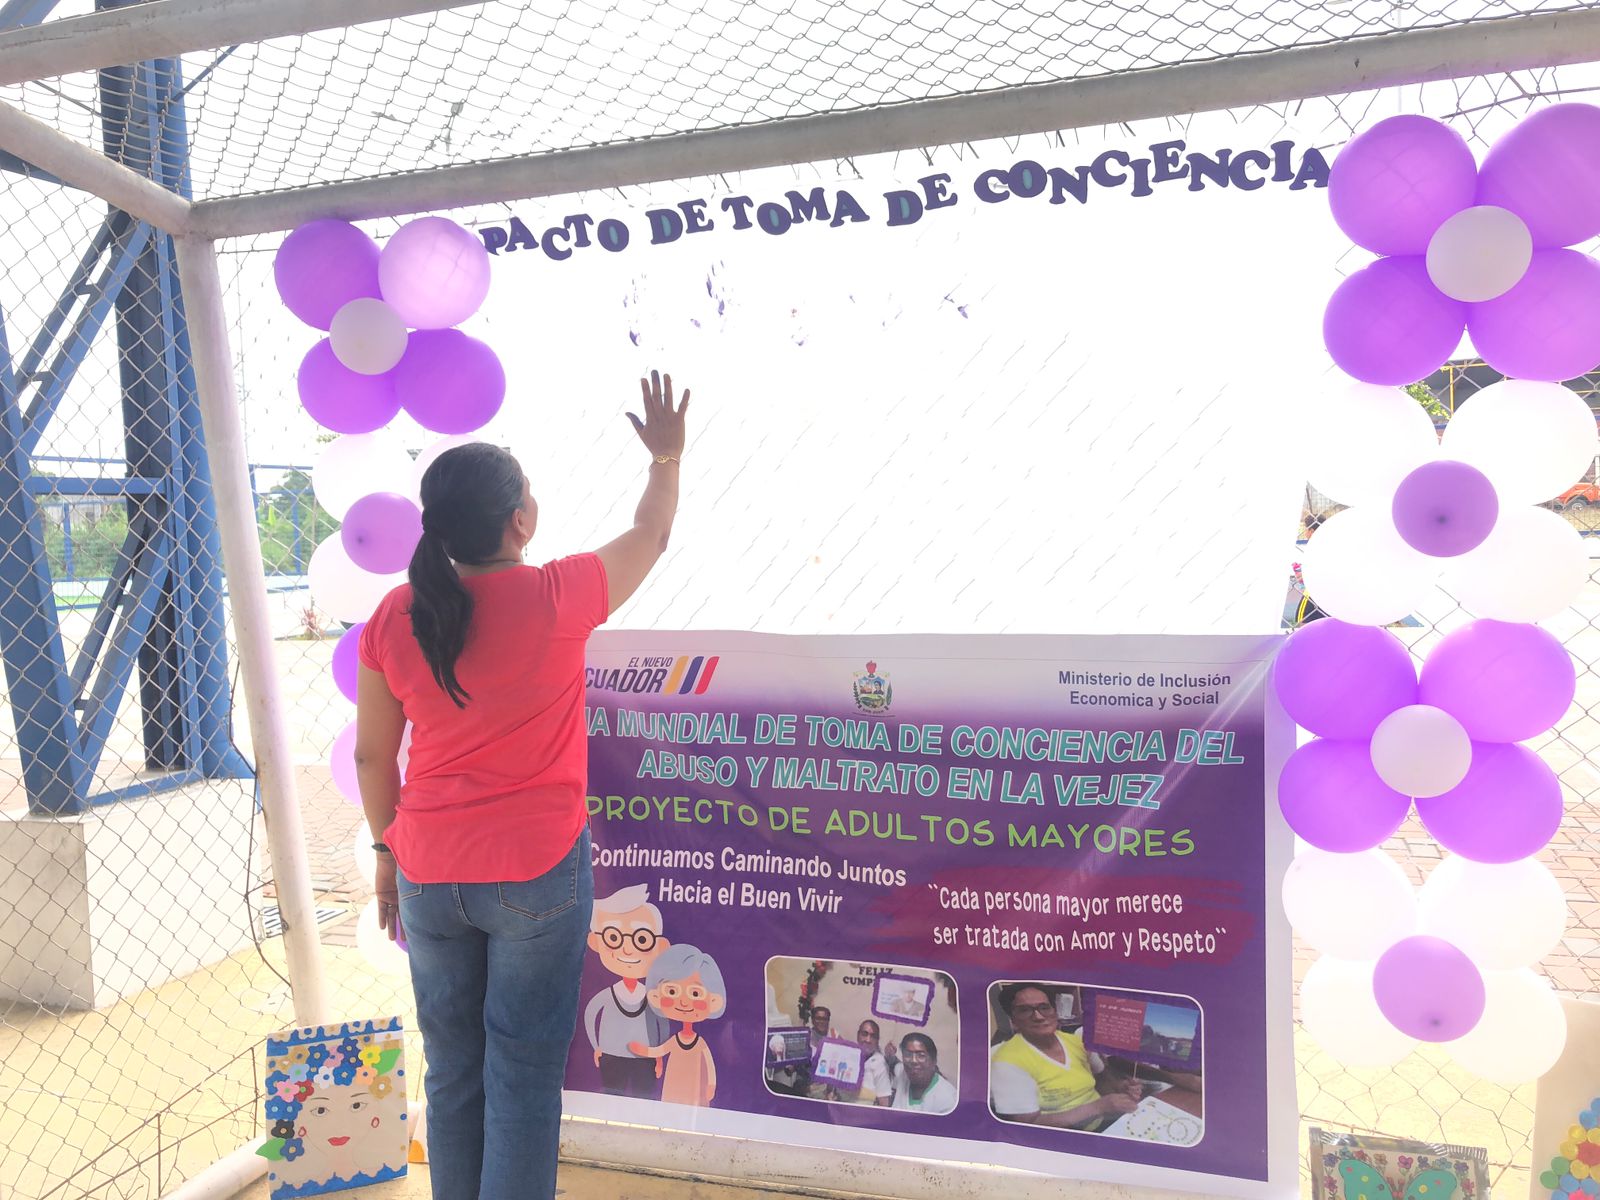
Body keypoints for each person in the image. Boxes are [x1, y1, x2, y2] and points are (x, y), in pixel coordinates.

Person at [354, 370, 689, 1200]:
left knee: (452, 1068)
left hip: (427, 870)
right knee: (523, 1073)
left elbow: (371, 759)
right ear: (519, 520)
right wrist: (666, 459)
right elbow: (651, 534)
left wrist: (386, 856)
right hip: (537, 873)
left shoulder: (394, 615)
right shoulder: (558, 595)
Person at [989, 983, 1138, 1131]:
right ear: (1013, 1021)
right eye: (1025, 1010)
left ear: (1055, 1012)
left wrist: (1119, 1088)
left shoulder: (1078, 1042)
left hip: (1103, 1124)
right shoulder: (1005, 1062)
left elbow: (1101, 1078)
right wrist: (1098, 1107)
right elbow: (1027, 1124)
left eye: (1044, 1007)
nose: (1038, 1016)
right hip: (1061, 1138)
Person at [582, 884, 672, 1098]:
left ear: (660, 946)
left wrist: (658, 1055)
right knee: (610, 1097)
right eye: (613, 937)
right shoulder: (607, 995)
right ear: (595, 942)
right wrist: (596, 1046)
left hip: (644, 1057)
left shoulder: (651, 997)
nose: (628, 949)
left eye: (642, 939)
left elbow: (662, 1023)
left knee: (644, 1099)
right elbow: (590, 1014)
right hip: (611, 1055)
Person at [627, 944, 727, 1106]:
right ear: (656, 996)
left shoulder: (700, 1043)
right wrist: (643, 1051)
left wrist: (711, 1085)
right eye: (672, 991)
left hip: (694, 1087)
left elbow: (709, 1064)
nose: (684, 1002)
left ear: (714, 1001)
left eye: (695, 993)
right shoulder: (675, 1040)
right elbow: (660, 1050)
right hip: (674, 1086)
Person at [890, 1033, 958, 1115]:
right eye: (908, 1054)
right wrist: (889, 1054)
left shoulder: (948, 1101)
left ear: (934, 1061)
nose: (913, 1061)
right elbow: (893, 1063)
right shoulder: (902, 1072)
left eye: (921, 1055)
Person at [856, 1020, 894, 1106]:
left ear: (877, 1040)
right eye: (864, 1034)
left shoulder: (879, 1063)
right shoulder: (849, 1055)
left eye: (873, 1036)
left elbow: (884, 1104)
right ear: (858, 1035)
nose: (868, 1040)